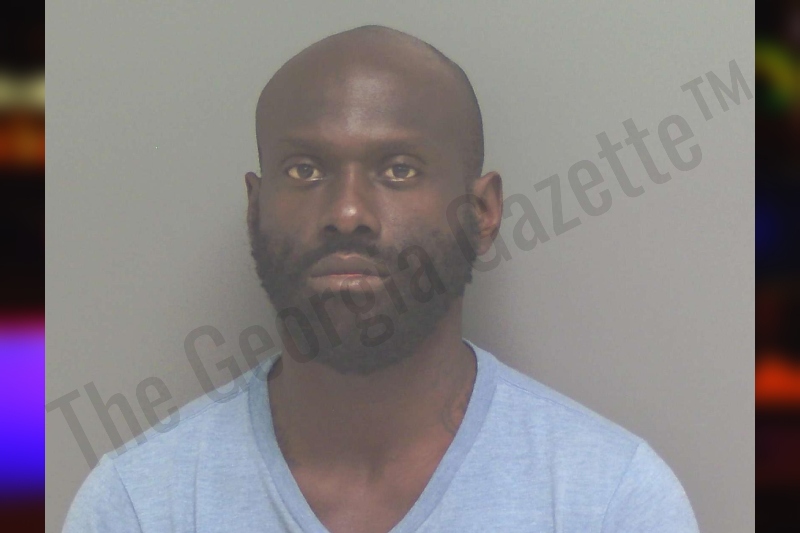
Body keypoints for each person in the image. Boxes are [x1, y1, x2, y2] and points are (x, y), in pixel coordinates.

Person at [63, 25, 699, 533]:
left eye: (398, 170)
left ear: (482, 212)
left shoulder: (608, 502)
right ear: (255, 208)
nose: (346, 213)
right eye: (305, 170)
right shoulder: (140, 505)